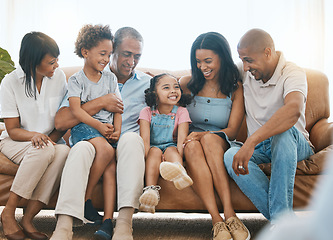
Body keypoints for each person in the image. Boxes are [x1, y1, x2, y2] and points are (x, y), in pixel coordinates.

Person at [51, 27, 151, 240]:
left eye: (137, 56)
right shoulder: (79, 80)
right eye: (126, 54)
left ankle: (124, 224)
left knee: (132, 140)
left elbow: (171, 108)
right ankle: (64, 225)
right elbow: (62, 121)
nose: (131, 62)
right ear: (113, 51)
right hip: (94, 139)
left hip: (124, 143)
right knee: (81, 149)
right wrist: (99, 103)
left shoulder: (149, 84)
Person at [223, 29, 314, 224]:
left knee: (282, 134)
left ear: (267, 53)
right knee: (230, 155)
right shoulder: (245, 71)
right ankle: (283, 222)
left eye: (249, 60)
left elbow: (293, 110)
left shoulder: (292, 72)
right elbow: (213, 69)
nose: (245, 67)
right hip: (262, 148)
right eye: (242, 60)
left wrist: (251, 141)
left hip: (294, 143)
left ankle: (281, 224)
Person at [0, 32, 70, 240]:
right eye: (51, 62)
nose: (56, 66)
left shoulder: (59, 78)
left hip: (48, 142)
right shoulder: (10, 82)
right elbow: (12, 130)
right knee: (44, 149)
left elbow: (63, 118)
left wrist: (50, 139)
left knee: (64, 151)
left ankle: (28, 218)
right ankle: (8, 213)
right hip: (15, 142)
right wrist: (35, 137)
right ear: (33, 62)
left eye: (57, 60)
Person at [179, 32, 250, 240]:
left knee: (208, 139)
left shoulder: (235, 88)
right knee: (191, 145)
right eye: (198, 62)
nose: (203, 67)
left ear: (222, 57)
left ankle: (230, 214)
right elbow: (163, 97)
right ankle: (216, 220)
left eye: (208, 61)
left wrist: (204, 136)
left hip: (220, 141)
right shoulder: (187, 84)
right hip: (192, 144)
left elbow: (233, 131)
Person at [67, 24, 120, 239]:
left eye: (109, 54)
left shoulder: (110, 79)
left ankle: (107, 222)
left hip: (106, 132)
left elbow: (118, 108)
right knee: (107, 153)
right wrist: (98, 126)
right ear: (85, 52)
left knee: (111, 168)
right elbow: (75, 111)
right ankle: (83, 199)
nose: (107, 59)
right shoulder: (76, 80)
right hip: (84, 128)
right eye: (102, 54)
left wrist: (117, 130)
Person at [138, 73, 192, 214]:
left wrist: (182, 157)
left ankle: (179, 172)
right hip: (153, 147)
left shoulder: (182, 112)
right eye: (166, 88)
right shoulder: (147, 112)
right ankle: (150, 191)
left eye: (176, 87)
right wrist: (145, 158)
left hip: (171, 146)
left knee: (172, 151)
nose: (173, 90)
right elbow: (145, 140)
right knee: (154, 152)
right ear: (154, 94)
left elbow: (182, 140)